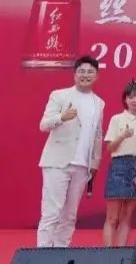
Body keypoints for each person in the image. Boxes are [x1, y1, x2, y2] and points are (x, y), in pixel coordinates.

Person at [36, 55, 105, 248]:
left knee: (70, 216)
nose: (85, 75)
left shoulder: (99, 102)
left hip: (82, 166)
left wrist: (95, 163)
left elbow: (98, 134)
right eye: (81, 71)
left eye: (90, 72)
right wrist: (62, 117)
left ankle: (61, 252)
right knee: (52, 213)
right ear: (74, 74)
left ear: (96, 76)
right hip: (57, 162)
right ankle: (42, 255)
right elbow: (44, 125)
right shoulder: (59, 95)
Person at [102, 79, 136, 246]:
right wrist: (122, 136)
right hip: (119, 166)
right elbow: (110, 148)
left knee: (127, 217)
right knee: (112, 217)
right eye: (131, 97)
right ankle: (108, 254)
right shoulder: (117, 119)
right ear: (125, 99)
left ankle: (120, 253)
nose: (135, 100)